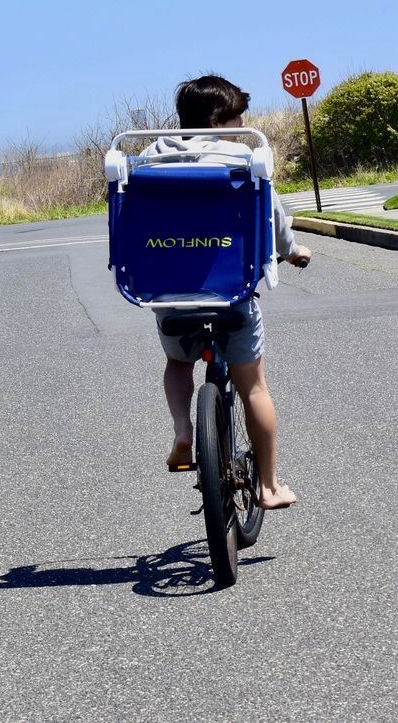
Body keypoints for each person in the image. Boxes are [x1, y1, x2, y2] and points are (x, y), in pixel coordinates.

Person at [145, 75, 309, 509]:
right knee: (253, 385)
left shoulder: (148, 157)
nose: (241, 124)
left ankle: (183, 431)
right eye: (236, 116)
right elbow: (271, 220)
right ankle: (269, 487)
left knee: (178, 364)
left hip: (172, 295)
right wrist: (292, 252)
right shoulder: (241, 156)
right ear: (218, 118)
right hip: (231, 293)